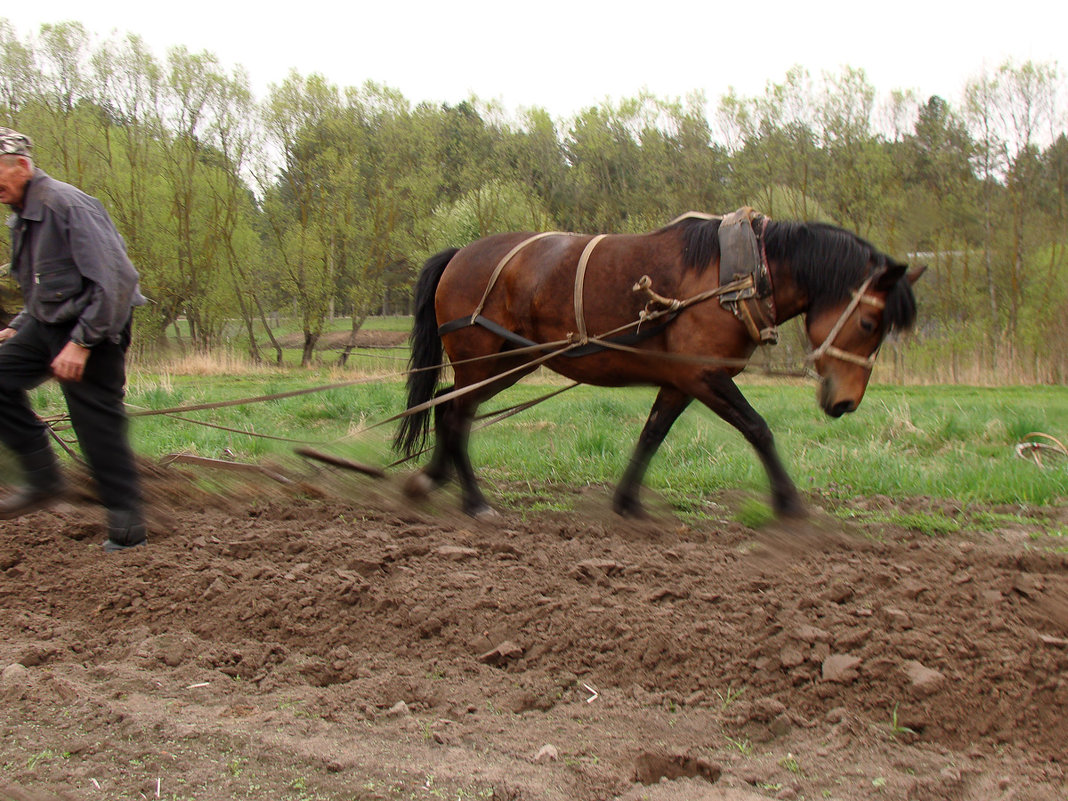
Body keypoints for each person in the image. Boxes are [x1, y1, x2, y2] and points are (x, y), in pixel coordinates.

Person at [0, 126, 148, 551]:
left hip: (95, 326)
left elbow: (117, 279)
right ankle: (43, 479)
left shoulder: (67, 204)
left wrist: (82, 342)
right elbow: (44, 284)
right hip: (46, 326)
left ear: (22, 166)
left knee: (95, 423)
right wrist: (20, 324)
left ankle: (128, 528)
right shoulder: (22, 218)